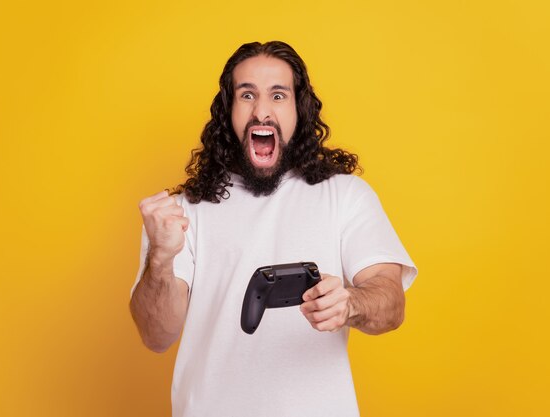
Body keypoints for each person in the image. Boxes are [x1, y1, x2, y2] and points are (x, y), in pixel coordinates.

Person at [129, 41, 417, 417]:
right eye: (246, 94)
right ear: (228, 110)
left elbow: (391, 305)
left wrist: (351, 304)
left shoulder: (346, 195)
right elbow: (156, 336)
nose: (261, 111)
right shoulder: (184, 212)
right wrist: (162, 258)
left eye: (277, 95)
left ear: (299, 109)